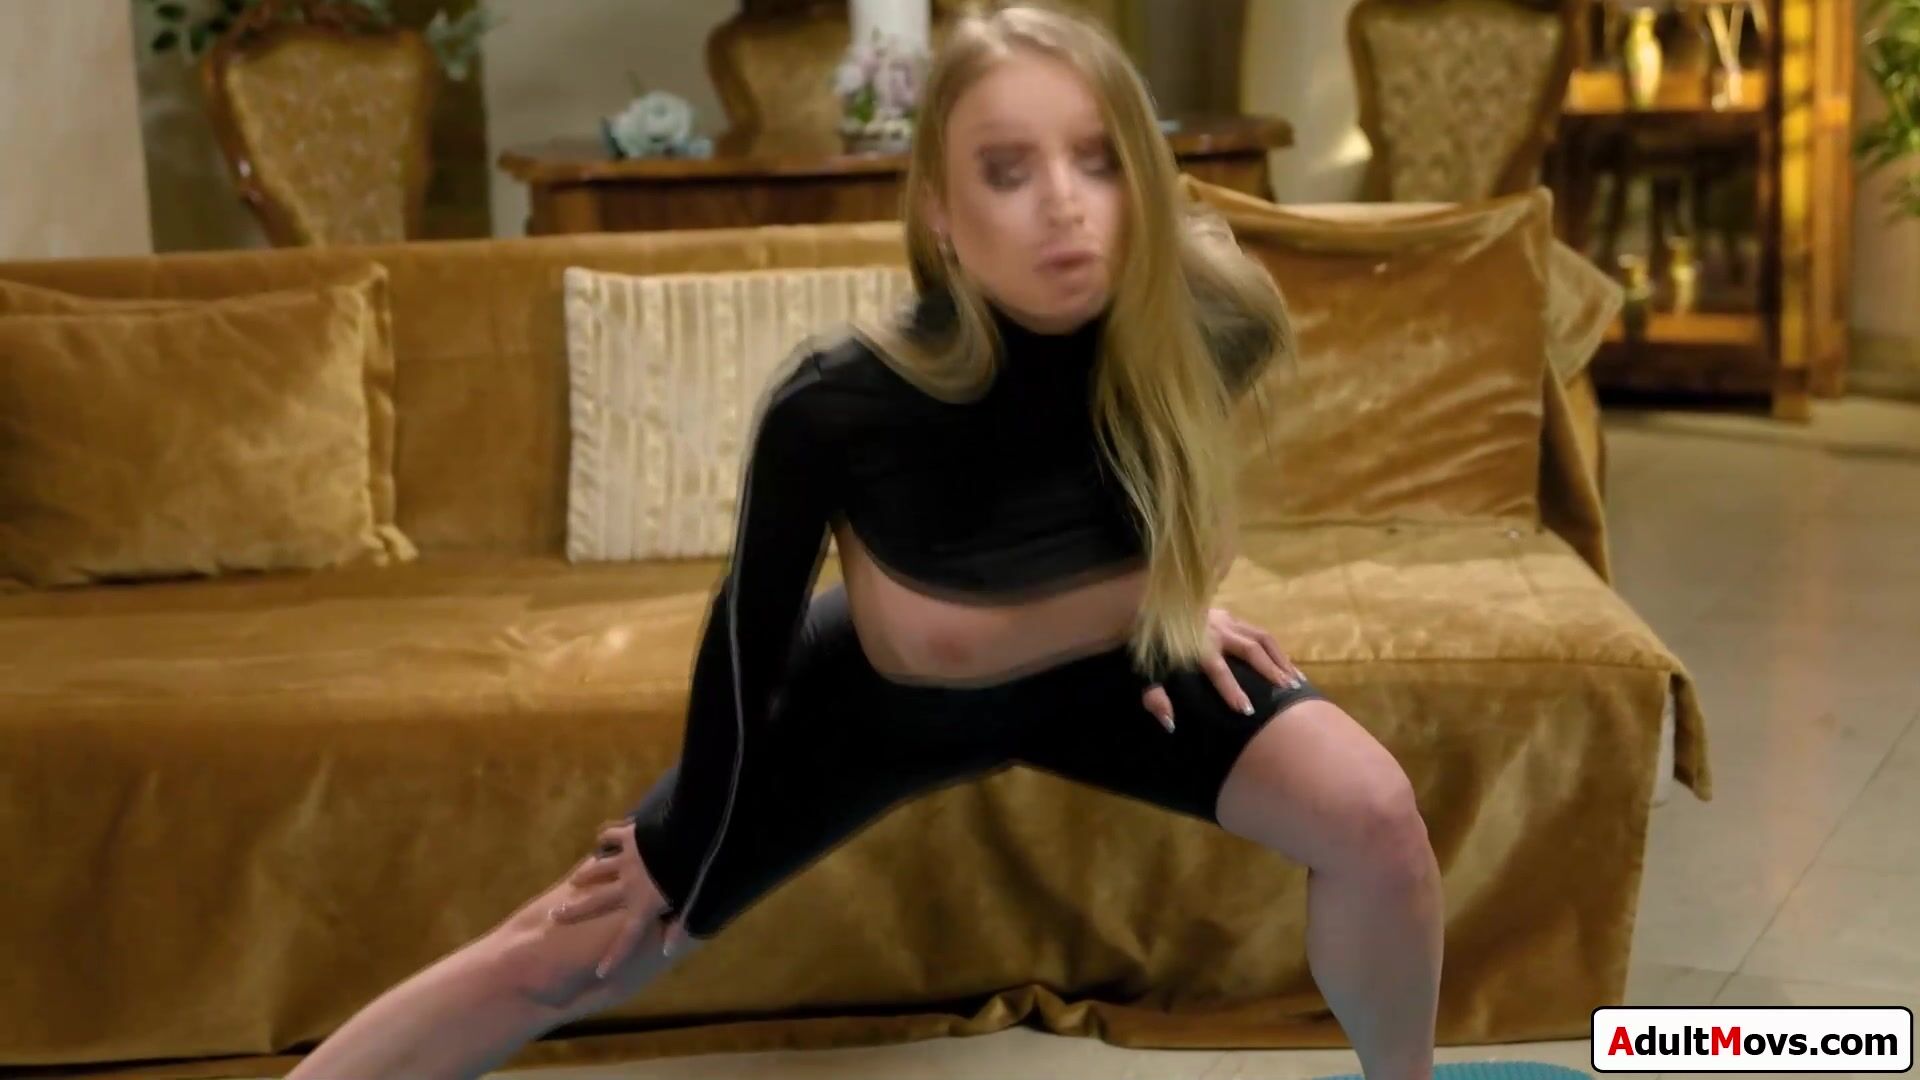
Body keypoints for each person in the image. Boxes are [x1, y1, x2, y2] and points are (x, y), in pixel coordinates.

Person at [284, 4, 1442, 1078]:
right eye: (1007, 170)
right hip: (876, 710)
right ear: (939, 210)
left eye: (1097, 159)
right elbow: (746, 638)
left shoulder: (1214, 322)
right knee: (570, 951)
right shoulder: (842, 403)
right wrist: (684, 844)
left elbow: (1161, 496)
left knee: (1375, 819)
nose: (1064, 203)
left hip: (1113, 680)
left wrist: (1168, 611)